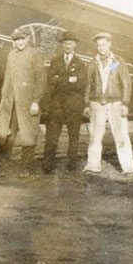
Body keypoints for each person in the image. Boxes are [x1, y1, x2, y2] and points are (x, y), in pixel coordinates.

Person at [83, 32, 133, 175]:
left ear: (109, 44)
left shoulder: (118, 61)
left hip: (116, 103)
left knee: (121, 135)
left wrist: (125, 103)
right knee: (95, 135)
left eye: (104, 44)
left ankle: (129, 168)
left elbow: (126, 83)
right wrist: (86, 105)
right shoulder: (92, 62)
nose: (101, 48)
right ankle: (92, 166)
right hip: (96, 103)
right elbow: (88, 85)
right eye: (99, 45)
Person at [0, 27, 47, 172]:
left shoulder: (34, 54)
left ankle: (26, 167)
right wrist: (4, 97)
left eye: (22, 39)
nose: (20, 42)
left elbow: (41, 80)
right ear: (14, 41)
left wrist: (36, 101)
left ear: (27, 39)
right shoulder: (11, 54)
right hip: (12, 101)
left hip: (28, 102)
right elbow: (7, 76)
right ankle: (4, 165)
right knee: (7, 132)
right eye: (17, 40)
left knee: (29, 133)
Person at [43, 31, 86, 173]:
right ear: (62, 45)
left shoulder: (80, 63)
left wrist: (60, 78)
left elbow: (80, 84)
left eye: (70, 43)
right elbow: (50, 80)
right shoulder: (55, 61)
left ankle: (71, 166)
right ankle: (47, 165)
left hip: (73, 106)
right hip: (57, 105)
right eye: (65, 43)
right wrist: (69, 79)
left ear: (75, 45)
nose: (67, 46)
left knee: (73, 136)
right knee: (52, 136)